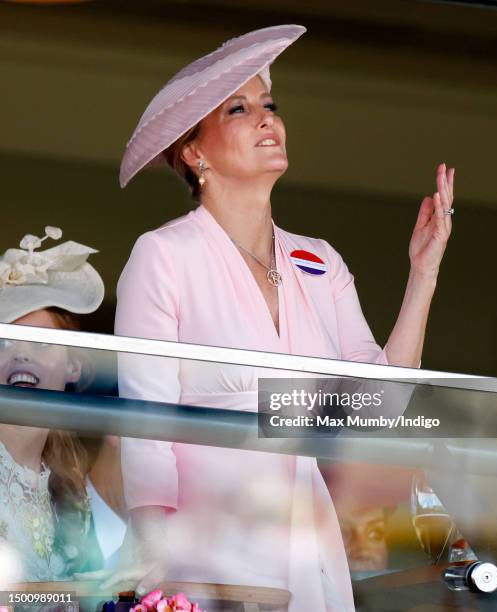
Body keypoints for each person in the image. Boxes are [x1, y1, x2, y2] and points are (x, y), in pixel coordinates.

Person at [111, 25, 454, 611]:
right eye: (240, 110)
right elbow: (146, 427)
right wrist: (156, 564)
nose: (268, 119)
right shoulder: (164, 254)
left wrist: (423, 275)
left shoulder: (317, 259)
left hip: (307, 542)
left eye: (269, 104)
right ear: (195, 153)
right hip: (208, 551)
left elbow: (382, 404)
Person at [0, 225, 113, 581]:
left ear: (73, 365)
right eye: (5, 342)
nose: (21, 355)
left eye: (40, 342)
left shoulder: (72, 488)